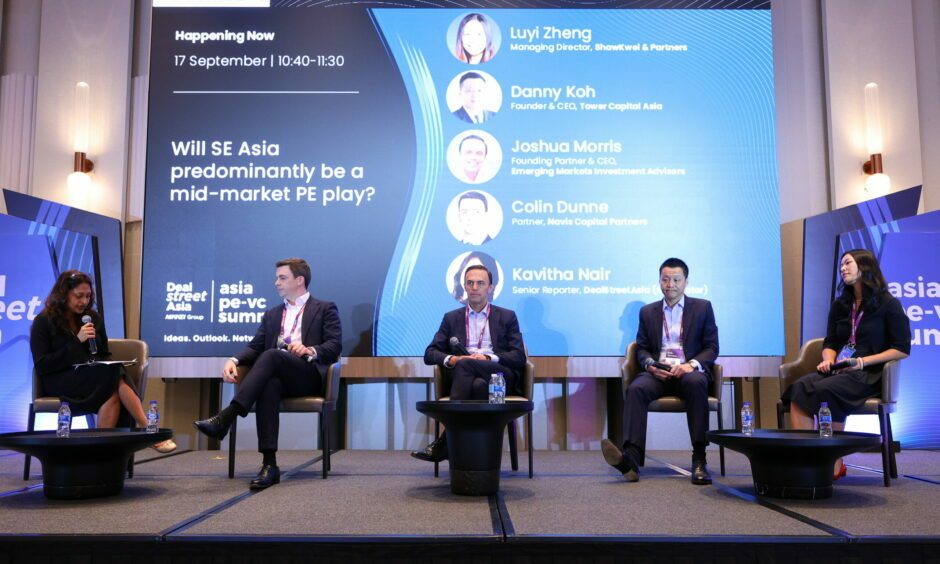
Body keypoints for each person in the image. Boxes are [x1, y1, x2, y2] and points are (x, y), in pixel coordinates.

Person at [193, 258, 342, 490]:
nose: (276, 283)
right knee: (269, 383)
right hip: (280, 375)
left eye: (282, 278)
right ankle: (269, 465)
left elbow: (334, 345)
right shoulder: (272, 314)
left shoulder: (324, 308)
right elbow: (255, 347)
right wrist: (233, 360)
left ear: (299, 280)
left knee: (272, 355)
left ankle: (227, 416)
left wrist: (309, 349)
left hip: (308, 375)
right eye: (277, 278)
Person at [782, 249, 910, 479]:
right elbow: (831, 342)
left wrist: (861, 362)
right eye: (842, 265)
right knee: (799, 387)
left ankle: (832, 460)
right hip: (840, 370)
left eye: (848, 263)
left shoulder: (888, 304)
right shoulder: (841, 304)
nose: (843, 268)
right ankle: (805, 459)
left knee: (825, 389)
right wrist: (828, 360)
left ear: (865, 266)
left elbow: (901, 348)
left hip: (869, 374)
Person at [30, 270, 176, 453]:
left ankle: (99, 454)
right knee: (113, 375)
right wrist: (77, 341)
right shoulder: (43, 321)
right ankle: (147, 426)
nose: (84, 301)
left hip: (90, 379)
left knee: (112, 389)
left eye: (88, 296)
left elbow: (104, 354)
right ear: (63, 294)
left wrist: (99, 358)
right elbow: (43, 365)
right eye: (79, 296)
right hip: (58, 380)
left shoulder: (92, 318)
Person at [601, 258, 718, 485]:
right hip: (659, 372)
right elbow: (642, 347)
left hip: (688, 371)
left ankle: (699, 459)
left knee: (696, 383)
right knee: (636, 389)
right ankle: (631, 460)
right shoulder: (648, 312)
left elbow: (711, 347)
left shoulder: (703, 308)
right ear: (659, 281)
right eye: (665, 280)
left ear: (686, 282)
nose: (670, 285)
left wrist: (691, 364)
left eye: (676, 280)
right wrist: (649, 364)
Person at [411, 265, 526, 462]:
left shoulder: (507, 316)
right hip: (468, 379)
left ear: (490, 287)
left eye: (480, 283)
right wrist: (453, 359)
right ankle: (477, 458)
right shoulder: (451, 318)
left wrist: (488, 358)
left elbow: (518, 356)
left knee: (466, 366)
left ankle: (445, 443)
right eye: (470, 283)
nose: (474, 287)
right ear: (464, 286)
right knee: (478, 385)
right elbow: (430, 354)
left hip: (499, 376)